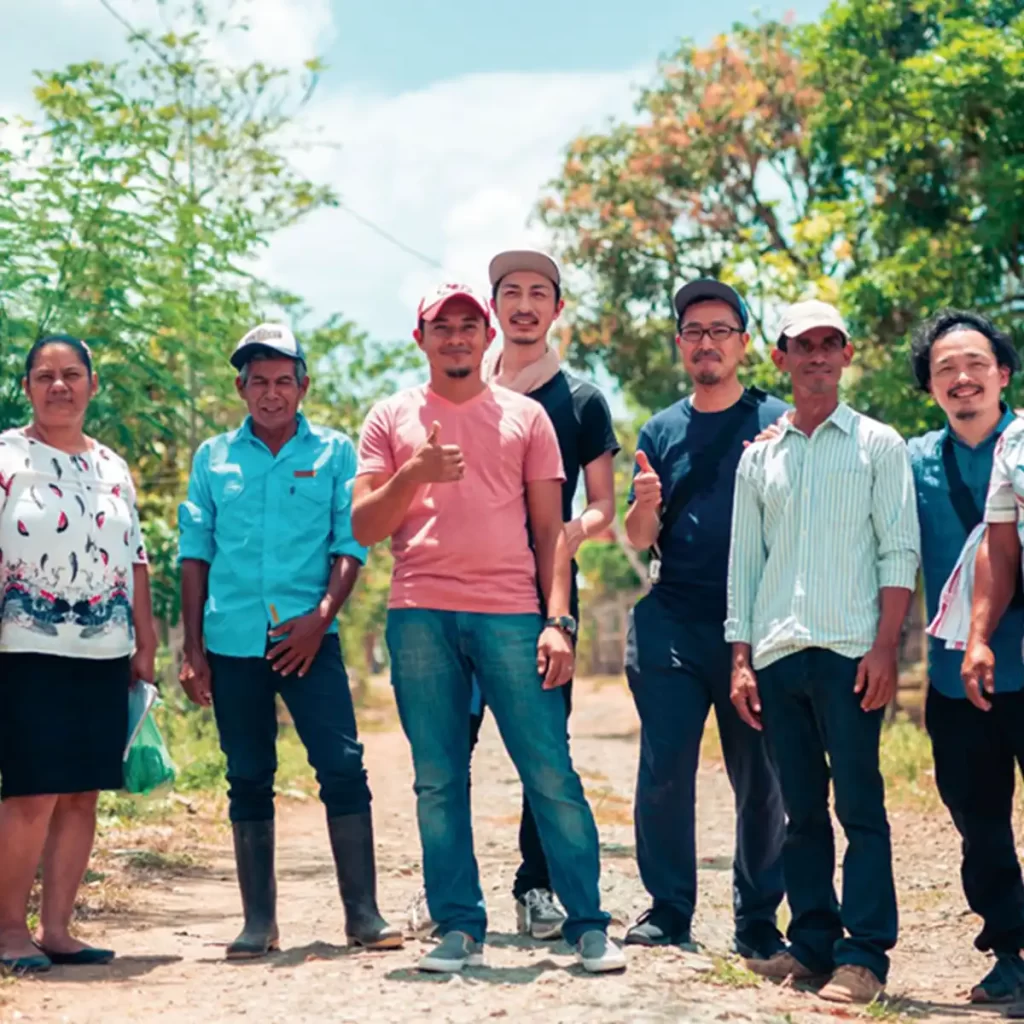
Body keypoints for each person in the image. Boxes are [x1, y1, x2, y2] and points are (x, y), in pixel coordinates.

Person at [352, 283, 625, 974]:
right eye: (441, 326)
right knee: (438, 779)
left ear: (486, 336)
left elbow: (549, 532)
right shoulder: (390, 416)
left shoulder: (526, 418)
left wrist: (557, 622)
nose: (456, 337)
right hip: (420, 614)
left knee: (549, 771)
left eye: (468, 325)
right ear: (420, 339)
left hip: (511, 614)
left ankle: (588, 925)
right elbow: (365, 526)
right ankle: (459, 925)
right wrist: (413, 474)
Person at [177, 323, 400, 960]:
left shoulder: (334, 453)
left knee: (342, 766)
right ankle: (258, 923)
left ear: (303, 386)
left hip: (308, 640)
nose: (271, 393)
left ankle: (363, 914)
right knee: (248, 775)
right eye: (258, 382)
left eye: (282, 381)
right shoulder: (213, 458)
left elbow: (350, 543)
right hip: (232, 642)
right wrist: (193, 649)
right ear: (241, 388)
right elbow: (195, 552)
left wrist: (321, 619)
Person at [727, 300, 920, 1004]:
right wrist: (741, 658)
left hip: (851, 654)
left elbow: (899, 550)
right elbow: (745, 564)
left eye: (829, 344)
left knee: (860, 805)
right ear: (780, 358)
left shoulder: (879, 445)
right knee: (800, 811)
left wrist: (885, 647)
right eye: (802, 345)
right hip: (779, 654)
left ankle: (864, 955)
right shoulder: (760, 458)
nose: (816, 356)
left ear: (846, 354)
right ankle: (811, 944)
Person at [622, 279, 787, 956]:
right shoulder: (660, 430)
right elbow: (640, 537)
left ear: (743, 343)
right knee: (665, 768)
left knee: (762, 775)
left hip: (758, 622)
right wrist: (645, 503)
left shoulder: (778, 420)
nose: (706, 342)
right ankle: (668, 911)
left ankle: (758, 920)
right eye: (694, 331)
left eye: (720, 330)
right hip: (673, 620)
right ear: (680, 344)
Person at [470, 249, 618, 940]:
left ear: (557, 309)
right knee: (450, 743)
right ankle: (448, 890)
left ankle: (537, 886)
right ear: (494, 305)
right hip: (461, 588)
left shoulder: (581, 399)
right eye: (511, 292)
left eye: (538, 293)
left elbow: (604, 504)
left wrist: (565, 535)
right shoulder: (461, 391)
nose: (524, 305)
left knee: (543, 747)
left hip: (545, 596)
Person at [0, 335, 157, 973]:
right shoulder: (6, 458)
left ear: (92, 384)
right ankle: (9, 931)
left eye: (71, 374)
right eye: (45, 376)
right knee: (33, 792)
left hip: (104, 650)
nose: (59, 386)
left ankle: (58, 929)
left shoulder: (112, 466)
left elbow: (136, 558)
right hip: (25, 649)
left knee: (82, 793)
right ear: (27, 388)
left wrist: (145, 642)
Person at [908, 311, 1024, 1005]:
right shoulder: (910, 461)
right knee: (979, 824)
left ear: (1003, 373)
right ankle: (1010, 949)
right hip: (957, 680)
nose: (962, 378)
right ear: (930, 387)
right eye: (945, 369)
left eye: (976, 363)